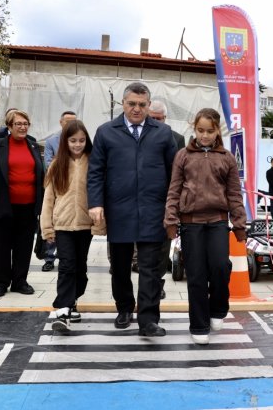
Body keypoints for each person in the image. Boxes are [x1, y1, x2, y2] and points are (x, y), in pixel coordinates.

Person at [88, 82, 177, 337]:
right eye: (132, 104)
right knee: (120, 264)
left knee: (151, 267)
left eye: (142, 104)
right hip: (119, 210)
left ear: (149, 106)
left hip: (153, 210)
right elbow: (95, 171)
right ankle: (124, 307)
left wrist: (173, 207)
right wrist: (95, 202)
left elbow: (174, 173)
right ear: (123, 104)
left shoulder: (163, 133)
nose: (137, 109)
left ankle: (148, 319)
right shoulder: (105, 132)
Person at [164, 108, 246, 344]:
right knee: (196, 275)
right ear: (194, 129)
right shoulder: (183, 156)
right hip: (191, 223)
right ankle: (199, 324)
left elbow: (234, 193)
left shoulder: (227, 158)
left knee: (220, 267)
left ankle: (218, 309)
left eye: (210, 131)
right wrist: (171, 219)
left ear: (217, 130)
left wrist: (239, 223)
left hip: (218, 221)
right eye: (200, 130)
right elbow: (174, 190)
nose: (205, 136)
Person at [41, 119, 105, 332]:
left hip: (85, 225)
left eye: (81, 140)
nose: (77, 144)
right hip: (63, 225)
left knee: (80, 268)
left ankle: (73, 300)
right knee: (67, 265)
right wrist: (47, 227)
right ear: (64, 142)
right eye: (72, 141)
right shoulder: (57, 165)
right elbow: (48, 199)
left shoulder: (94, 162)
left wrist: (100, 223)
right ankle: (62, 309)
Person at [0, 110, 44, 297]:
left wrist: (41, 205)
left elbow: (40, 176)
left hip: (28, 206)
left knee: (24, 246)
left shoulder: (34, 146)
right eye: (18, 124)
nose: (23, 127)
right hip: (3, 205)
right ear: (9, 126)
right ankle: (0, 282)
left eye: (26, 123)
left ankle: (20, 281)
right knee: (1, 246)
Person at [148, 99, 185, 297]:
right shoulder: (140, 136)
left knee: (163, 247)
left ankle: (158, 283)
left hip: (166, 201)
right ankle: (147, 284)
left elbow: (179, 173)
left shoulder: (177, 139)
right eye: (152, 118)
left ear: (165, 118)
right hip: (143, 200)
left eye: (159, 119)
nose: (156, 122)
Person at [40, 110, 77, 272]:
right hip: (57, 187)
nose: (70, 124)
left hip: (75, 191)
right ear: (61, 122)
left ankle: (67, 257)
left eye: (73, 121)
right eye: (67, 121)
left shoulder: (80, 140)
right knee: (53, 222)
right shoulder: (52, 141)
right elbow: (48, 165)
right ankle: (49, 258)